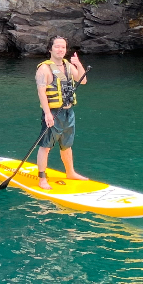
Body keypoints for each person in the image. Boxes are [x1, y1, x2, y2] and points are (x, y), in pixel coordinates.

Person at [34, 35, 88, 190]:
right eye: (57, 46)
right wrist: (47, 114)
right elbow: (41, 93)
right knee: (46, 146)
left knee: (67, 145)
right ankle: (42, 178)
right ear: (50, 48)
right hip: (52, 113)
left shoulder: (68, 66)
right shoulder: (44, 69)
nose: (60, 49)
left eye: (63, 47)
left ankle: (70, 172)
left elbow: (82, 80)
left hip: (67, 112)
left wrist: (78, 64)